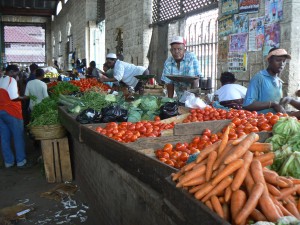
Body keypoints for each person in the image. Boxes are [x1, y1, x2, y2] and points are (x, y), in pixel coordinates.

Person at [243, 48, 291, 114]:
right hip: (260, 121)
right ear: (269, 60)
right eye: (278, 60)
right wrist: (273, 104)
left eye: (284, 61)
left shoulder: (279, 81)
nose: (282, 64)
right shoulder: (259, 78)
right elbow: (247, 104)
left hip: (274, 121)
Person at [0, 65, 28, 168]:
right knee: (18, 136)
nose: (17, 76)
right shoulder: (11, 80)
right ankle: (20, 161)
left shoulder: (0, 80)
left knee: (4, 138)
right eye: (16, 73)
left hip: (0, 111)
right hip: (12, 112)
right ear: (11, 72)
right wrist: (25, 97)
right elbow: (14, 97)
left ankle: (8, 162)